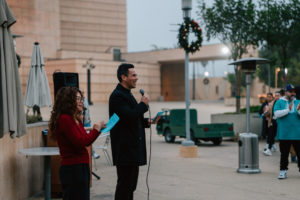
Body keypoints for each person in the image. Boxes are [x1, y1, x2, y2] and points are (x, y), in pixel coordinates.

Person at [49, 87, 105, 199]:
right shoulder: (65, 119)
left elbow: (85, 139)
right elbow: (80, 142)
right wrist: (95, 130)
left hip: (81, 166)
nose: (81, 101)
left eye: (81, 98)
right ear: (68, 101)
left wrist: (97, 130)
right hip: (73, 169)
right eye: (78, 99)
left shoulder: (75, 119)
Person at [109, 63, 152, 200]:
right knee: (125, 187)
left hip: (132, 151)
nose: (136, 78)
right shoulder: (117, 96)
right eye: (133, 75)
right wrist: (143, 105)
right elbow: (129, 116)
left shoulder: (127, 94)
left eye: (136, 75)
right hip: (125, 151)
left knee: (130, 187)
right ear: (123, 77)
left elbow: (131, 118)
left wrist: (146, 122)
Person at [274, 84, 300, 179]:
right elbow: (276, 114)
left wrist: (297, 110)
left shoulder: (298, 102)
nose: (293, 93)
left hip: (297, 134)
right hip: (284, 133)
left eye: (294, 92)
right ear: (286, 92)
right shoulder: (279, 102)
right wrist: (287, 110)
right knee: (284, 154)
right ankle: (283, 171)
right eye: (291, 92)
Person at [263, 92, 280, 156]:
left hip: (280, 122)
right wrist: (265, 113)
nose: (277, 97)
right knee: (271, 134)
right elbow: (268, 112)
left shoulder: (282, 102)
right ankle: (268, 148)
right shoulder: (271, 103)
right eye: (276, 95)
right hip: (272, 121)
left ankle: (271, 147)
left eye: (278, 95)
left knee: (274, 134)